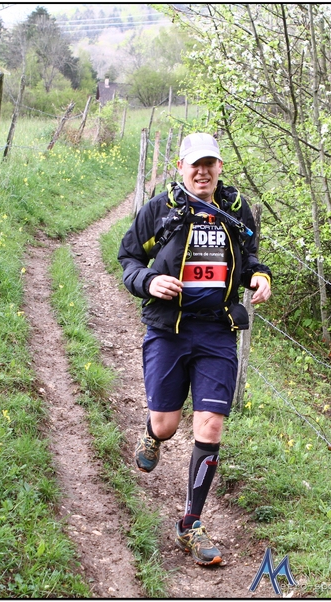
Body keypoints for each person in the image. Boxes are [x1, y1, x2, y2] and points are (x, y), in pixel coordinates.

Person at [118, 132, 272, 566]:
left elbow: (249, 258)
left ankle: (190, 523)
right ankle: (153, 434)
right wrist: (148, 281)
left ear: (219, 166)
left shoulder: (236, 210)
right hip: (168, 329)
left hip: (217, 332)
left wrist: (259, 277)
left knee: (210, 426)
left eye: (210, 164)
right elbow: (128, 259)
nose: (203, 172)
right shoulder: (160, 210)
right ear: (181, 167)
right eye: (195, 164)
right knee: (167, 424)